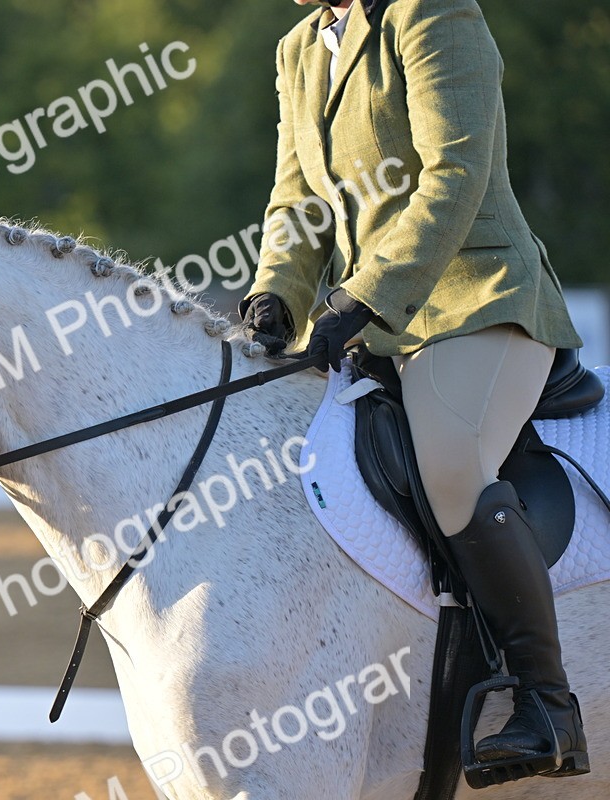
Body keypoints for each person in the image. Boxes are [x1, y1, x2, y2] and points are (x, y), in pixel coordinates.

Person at [239, 0, 589, 782]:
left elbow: (454, 173)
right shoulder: (300, 48)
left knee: (452, 462)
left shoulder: (433, 15)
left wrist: (362, 296)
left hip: (479, 298)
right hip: (375, 323)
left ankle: (546, 706)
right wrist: (278, 296)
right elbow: (295, 202)